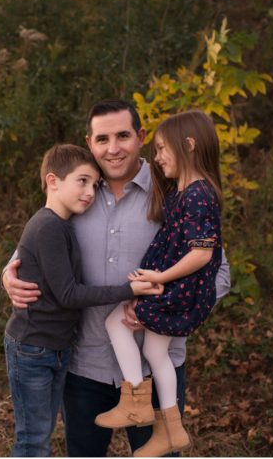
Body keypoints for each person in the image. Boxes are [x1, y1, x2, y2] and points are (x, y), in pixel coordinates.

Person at [2, 99, 231, 456]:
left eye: (123, 136)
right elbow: (33, 245)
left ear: (141, 136)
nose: (113, 149)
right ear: (89, 143)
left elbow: (218, 272)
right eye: (102, 139)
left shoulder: (174, 190)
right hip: (84, 367)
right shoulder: (79, 190)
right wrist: (8, 273)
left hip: (154, 367)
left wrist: (166, 308)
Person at [5, 143, 164, 457]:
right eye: (82, 181)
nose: (90, 192)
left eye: (94, 184)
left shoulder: (63, 223)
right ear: (53, 181)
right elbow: (68, 294)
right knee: (33, 440)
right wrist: (129, 290)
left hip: (57, 347)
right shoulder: (48, 225)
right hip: (34, 347)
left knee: (41, 434)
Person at [96, 110, 224, 456]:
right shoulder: (184, 191)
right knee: (154, 351)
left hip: (175, 288)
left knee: (116, 323)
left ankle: (136, 402)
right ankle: (170, 428)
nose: (158, 157)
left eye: (163, 149)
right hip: (172, 287)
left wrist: (160, 278)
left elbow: (202, 254)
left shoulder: (199, 195)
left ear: (189, 145)